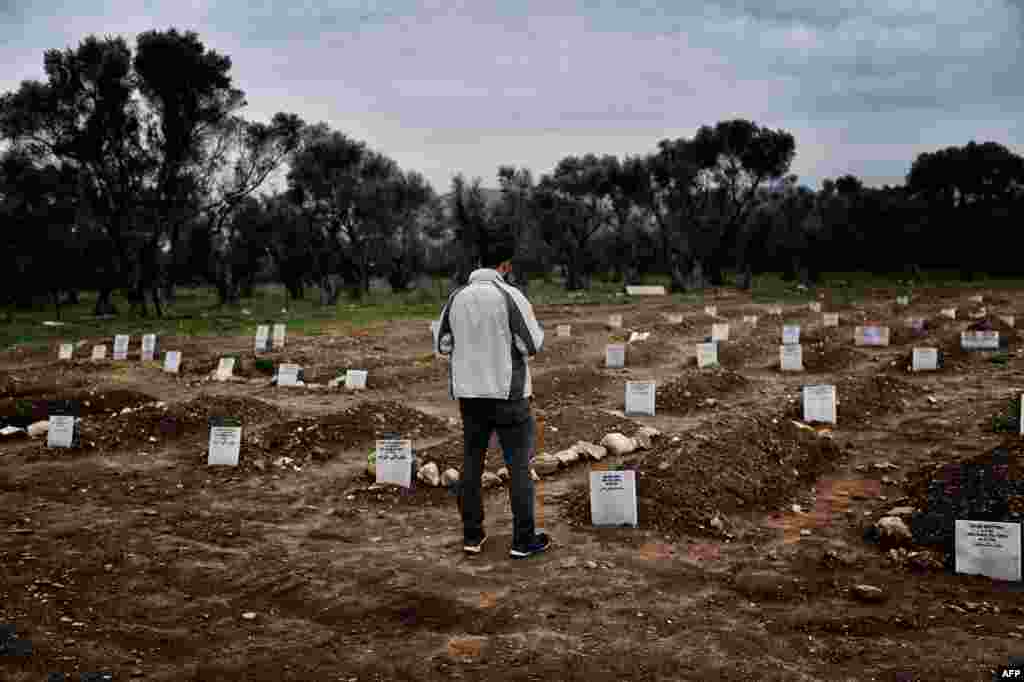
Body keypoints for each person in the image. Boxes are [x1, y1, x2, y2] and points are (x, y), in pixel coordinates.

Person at [435, 241, 550, 558]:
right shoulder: (511, 296)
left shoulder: (456, 298)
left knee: (471, 463)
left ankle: (472, 536)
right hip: (507, 394)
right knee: (518, 466)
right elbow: (532, 344)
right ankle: (523, 540)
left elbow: (443, 344)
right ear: (506, 265)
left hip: (469, 396)